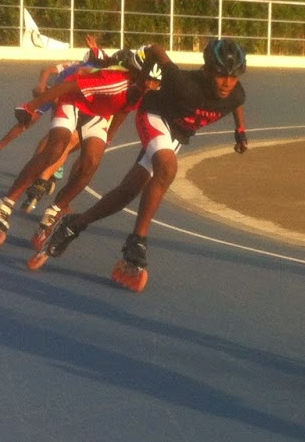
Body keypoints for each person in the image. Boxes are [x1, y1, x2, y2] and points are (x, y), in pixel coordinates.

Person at [30, 37, 249, 284]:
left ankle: (73, 225)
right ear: (208, 69)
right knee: (167, 167)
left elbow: (236, 103)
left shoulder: (236, 93)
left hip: (178, 133)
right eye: (221, 75)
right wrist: (138, 54)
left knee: (128, 190)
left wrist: (239, 130)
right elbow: (157, 50)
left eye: (233, 76)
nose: (227, 83)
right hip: (154, 115)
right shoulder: (184, 84)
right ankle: (138, 242)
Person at [0, 42, 151, 248]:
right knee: (56, 148)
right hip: (73, 100)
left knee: (91, 162)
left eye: (156, 83)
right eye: (150, 81)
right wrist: (30, 107)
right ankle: (4, 204)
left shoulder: (143, 90)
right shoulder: (115, 81)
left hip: (98, 113)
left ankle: (56, 209)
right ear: (139, 76)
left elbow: (123, 111)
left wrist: (107, 139)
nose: (153, 86)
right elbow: (68, 86)